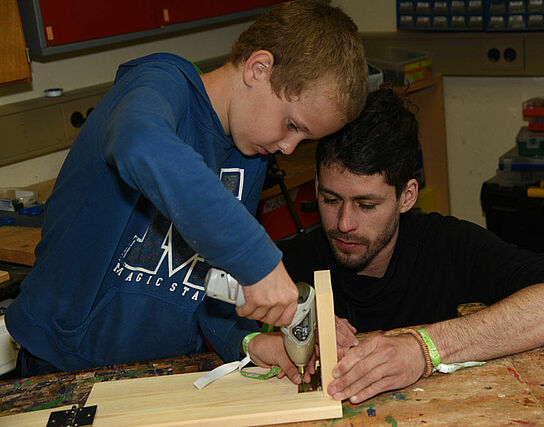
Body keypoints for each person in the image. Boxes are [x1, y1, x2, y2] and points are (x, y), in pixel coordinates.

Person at [6, 0, 368, 382]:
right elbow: (139, 142)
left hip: (164, 373)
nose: (288, 147)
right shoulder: (161, 83)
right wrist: (257, 258)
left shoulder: (250, 156)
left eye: (304, 138)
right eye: (292, 125)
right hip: (63, 368)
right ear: (258, 69)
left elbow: (207, 284)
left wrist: (248, 342)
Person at [278, 88, 544, 403]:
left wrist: (424, 349)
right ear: (317, 186)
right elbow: (234, 331)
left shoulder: (447, 246)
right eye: (330, 199)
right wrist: (277, 335)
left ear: (407, 196)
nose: (344, 223)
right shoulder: (285, 264)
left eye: (366, 205)